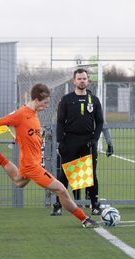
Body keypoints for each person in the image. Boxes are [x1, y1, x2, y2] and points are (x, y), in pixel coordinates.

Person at [0, 83, 98, 228]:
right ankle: (84, 219)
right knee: (61, 189)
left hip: (32, 162)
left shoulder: (33, 114)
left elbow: (30, 135)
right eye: (45, 103)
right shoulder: (21, 114)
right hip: (31, 166)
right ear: (36, 99)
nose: (46, 106)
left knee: (18, 181)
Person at [52, 69, 104, 216]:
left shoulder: (93, 100)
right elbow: (60, 122)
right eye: (79, 78)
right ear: (74, 81)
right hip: (70, 141)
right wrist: (60, 141)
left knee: (91, 174)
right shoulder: (66, 100)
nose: (82, 81)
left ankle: (95, 205)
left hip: (88, 141)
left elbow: (99, 122)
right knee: (65, 175)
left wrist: (94, 139)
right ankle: (58, 205)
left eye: (84, 78)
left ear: (88, 81)